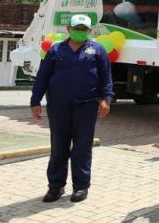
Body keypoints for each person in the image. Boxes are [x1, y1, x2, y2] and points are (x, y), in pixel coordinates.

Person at [31, 14, 113, 203]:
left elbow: (106, 77)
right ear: (68, 29)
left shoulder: (97, 50)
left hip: (85, 106)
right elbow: (43, 76)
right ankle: (56, 186)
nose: (80, 32)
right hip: (58, 106)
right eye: (77, 28)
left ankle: (81, 187)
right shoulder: (56, 50)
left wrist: (106, 99)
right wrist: (35, 101)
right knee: (59, 146)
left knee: (82, 147)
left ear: (89, 31)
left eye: (84, 29)